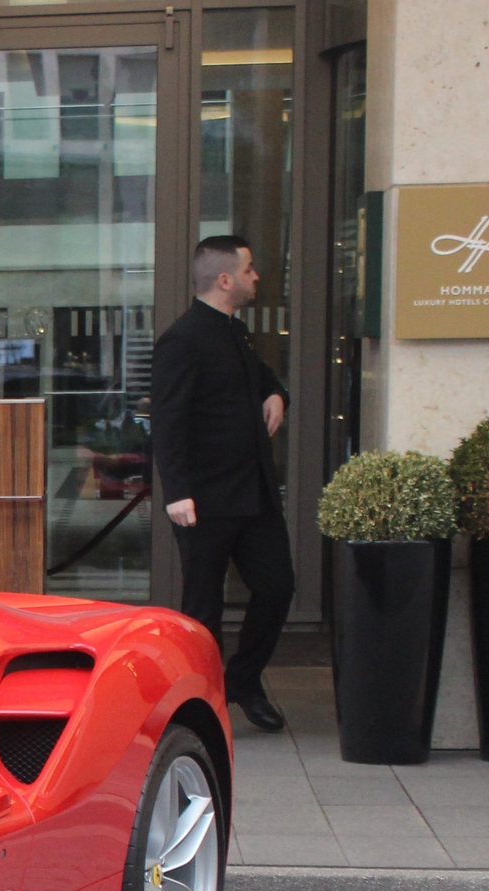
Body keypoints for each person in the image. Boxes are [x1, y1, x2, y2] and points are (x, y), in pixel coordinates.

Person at [152, 234, 293, 732]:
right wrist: (178, 493)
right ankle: (203, 703)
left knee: (278, 587)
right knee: (203, 609)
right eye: (251, 270)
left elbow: (259, 376)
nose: (257, 277)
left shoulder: (236, 332)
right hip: (204, 499)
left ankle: (244, 680)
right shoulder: (183, 338)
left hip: (252, 493)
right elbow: (168, 422)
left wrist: (277, 393)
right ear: (225, 279)